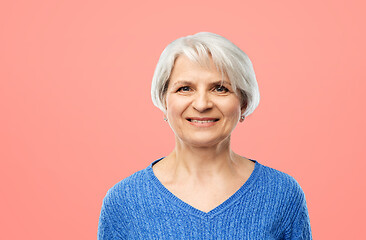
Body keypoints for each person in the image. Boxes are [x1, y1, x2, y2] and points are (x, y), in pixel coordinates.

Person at [98, 32, 312, 239]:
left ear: (243, 103)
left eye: (220, 88)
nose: (201, 104)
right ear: (164, 102)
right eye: (185, 88)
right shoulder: (124, 201)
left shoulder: (282, 194)